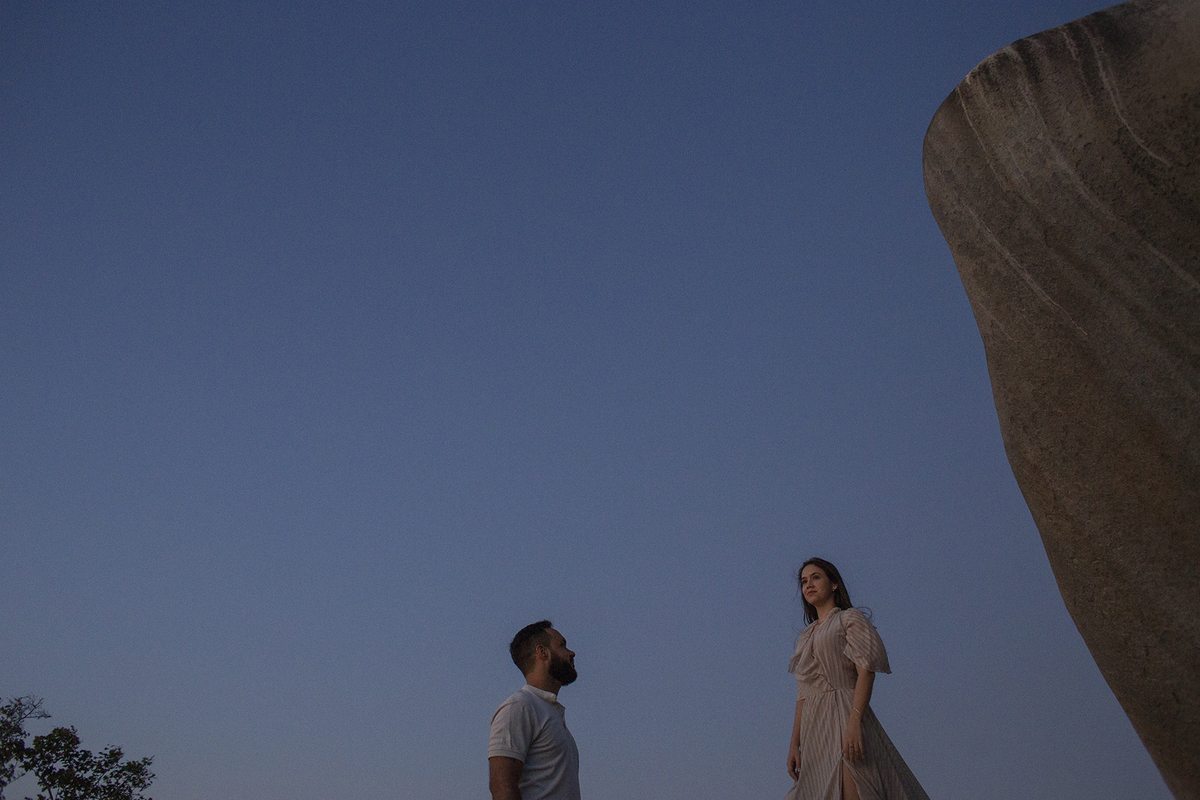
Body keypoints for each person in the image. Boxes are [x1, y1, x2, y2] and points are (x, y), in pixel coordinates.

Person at [785, 558, 929, 800]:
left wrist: (854, 723)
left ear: (834, 584)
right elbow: (803, 695)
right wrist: (794, 745)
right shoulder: (805, 637)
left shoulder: (848, 619)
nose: (808, 584)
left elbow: (866, 672)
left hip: (845, 714)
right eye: (804, 581)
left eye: (816, 577)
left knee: (855, 788)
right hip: (815, 730)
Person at [489, 620, 581, 800]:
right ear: (542, 652)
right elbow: (502, 786)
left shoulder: (550, 713)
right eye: (563, 646)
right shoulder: (519, 706)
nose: (572, 652)